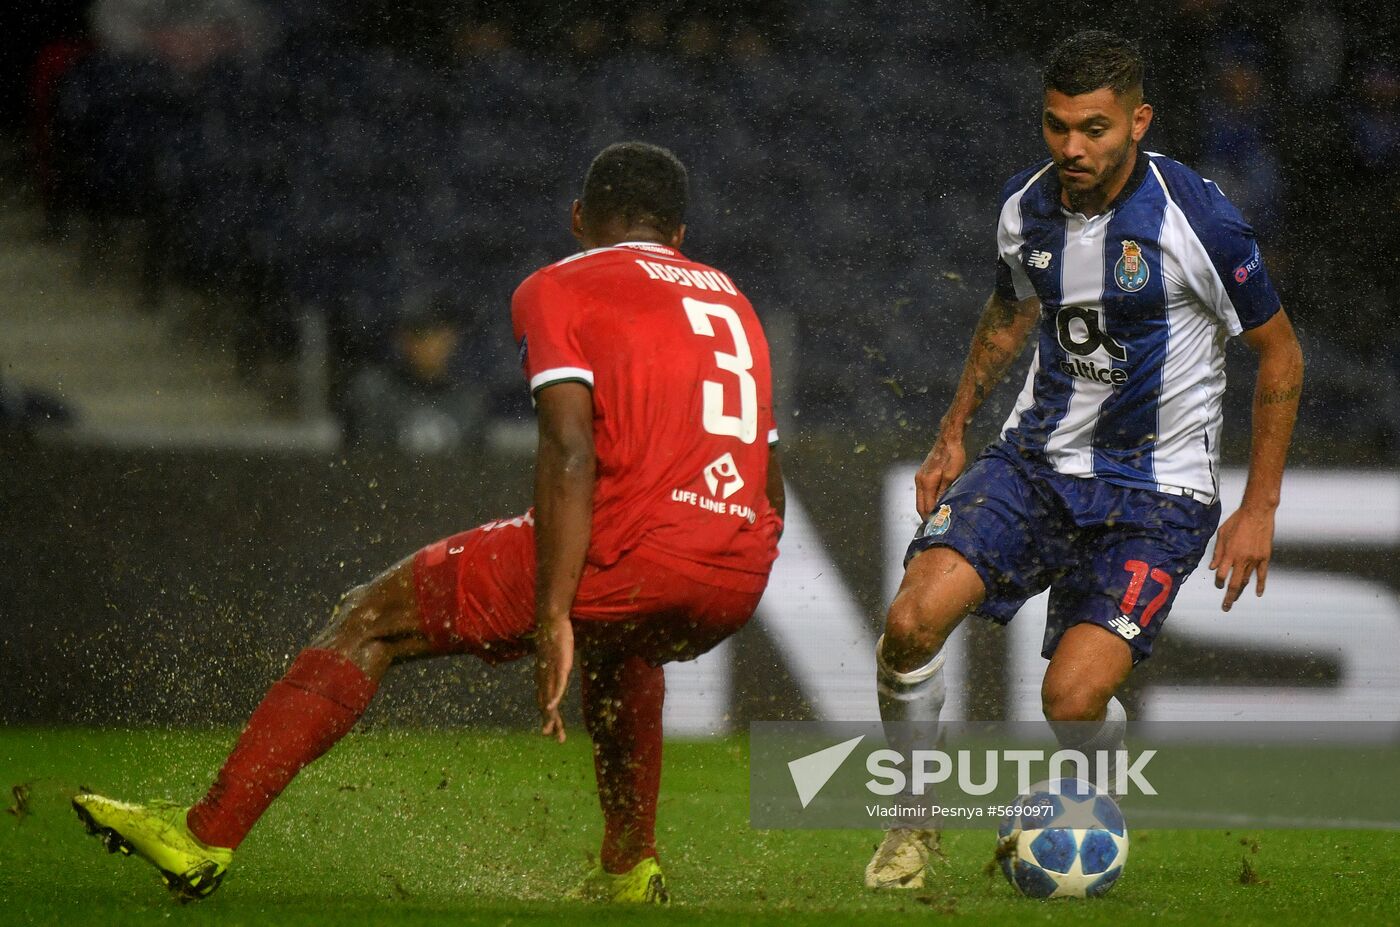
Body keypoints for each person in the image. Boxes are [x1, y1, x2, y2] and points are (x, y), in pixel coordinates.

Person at [73, 141, 785, 904]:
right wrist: (719, 563)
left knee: (368, 618)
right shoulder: (731, 299)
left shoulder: (560, 285)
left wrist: (550, 614)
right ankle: (630, 866)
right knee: (622, 645)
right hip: (742, 566)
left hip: (635, 548)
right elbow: (768, 474)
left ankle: (203, 833)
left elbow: (571, 451)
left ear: (580, 218)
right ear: (678, 233)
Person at [864, 31, 1304, 890]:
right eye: (1058, 126)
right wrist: (953, 429)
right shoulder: (1026, 209)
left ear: (1138, 121)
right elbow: (1006, 314)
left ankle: (1092, 773)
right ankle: (912, 824)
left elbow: (1281, 355)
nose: (1073, 147)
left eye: (1095, 128)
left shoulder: (1199, 219)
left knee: (1069, 701)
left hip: (1157, 495)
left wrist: (1259, 508)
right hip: (1034, 465)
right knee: (910, 622)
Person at [342, 294, 486, 454]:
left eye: (439, 333)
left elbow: (477, 466)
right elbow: (362, 462)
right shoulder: (373, 392)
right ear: (402, 339)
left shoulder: (469, 401)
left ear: (452, 338)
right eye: (421, 334)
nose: (431, 344)